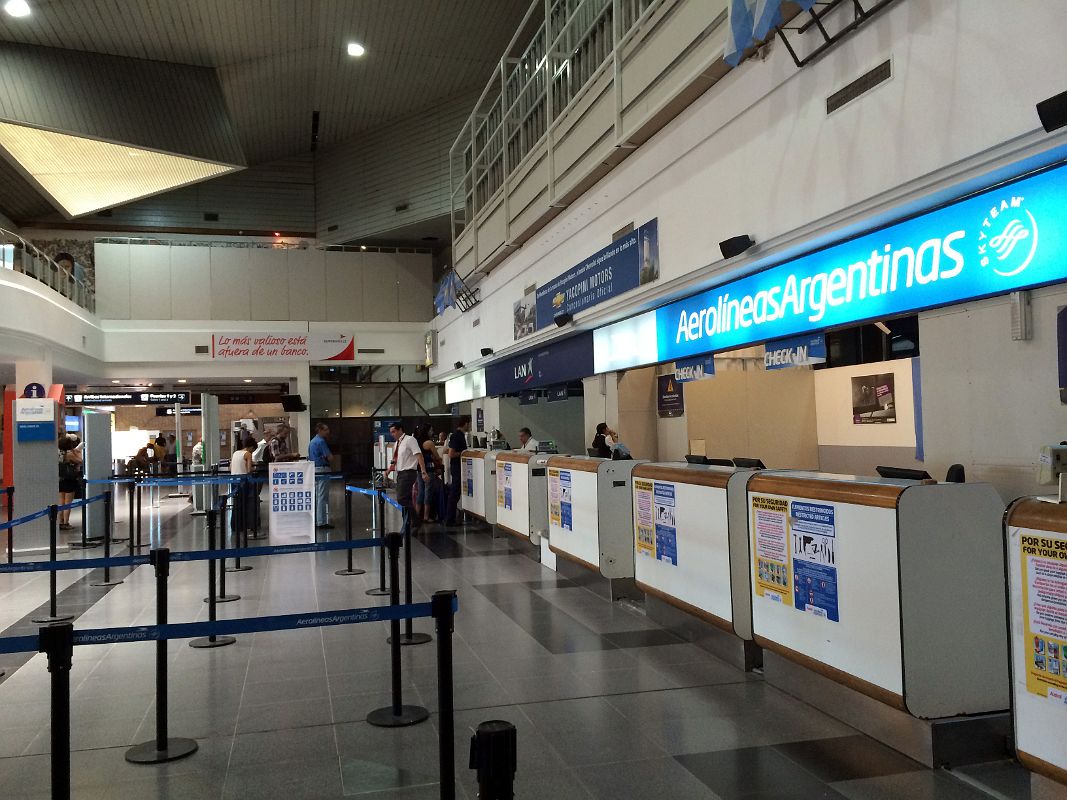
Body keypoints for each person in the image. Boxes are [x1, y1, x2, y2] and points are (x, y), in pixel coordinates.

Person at [388, 421, 428, 533]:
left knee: (402, 498)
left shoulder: (410, 440)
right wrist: (388, 470)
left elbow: (419, 455)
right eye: (391, 432)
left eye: (394, 431)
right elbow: (395, 459)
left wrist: (423, 471)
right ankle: (408, 522)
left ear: (400, 429)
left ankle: (415, 522)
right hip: (400, 473)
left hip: (408, 473)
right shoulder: (397, 443)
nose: (392, 434)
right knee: (405, 499)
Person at [444, 416, 470, 527]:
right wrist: (464, 453)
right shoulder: (457, 436)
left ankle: (451, 518)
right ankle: (450, 519)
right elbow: (451, 453)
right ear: (465, 423)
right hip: (456, 468)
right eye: (469, 423)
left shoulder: (459, 435)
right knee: (454, 493)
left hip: (458, 468)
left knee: (456, 493)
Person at [229, 437, 256, 536]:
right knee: (244, 504)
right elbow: (249, 470)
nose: (252, 452)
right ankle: (243, 526)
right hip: (243, 481)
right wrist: (253, 465)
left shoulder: (235, 453)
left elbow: (230, 467)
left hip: (233, 481)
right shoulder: (248, 454)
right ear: (251, 447)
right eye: (253, 450)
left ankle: (234, 526)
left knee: (236, 503)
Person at [417, 425, 444, 524]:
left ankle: (417, 515)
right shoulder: (429, 443)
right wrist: (440, 463)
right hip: (429, 470)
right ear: (427, 431)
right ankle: (426, 516)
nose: (432, 432)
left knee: (420, 492)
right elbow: (437, 457)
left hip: (419, 469)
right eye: (431, 430)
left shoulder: (417, 442)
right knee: (428, 492)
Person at [309, 423, 333, 529]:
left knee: (316, 495)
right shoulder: (321, 441)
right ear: (320, 430)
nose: (328, 431)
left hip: (313, 469)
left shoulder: (312, 442)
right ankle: (321, 521)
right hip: (322, 469)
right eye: (326, 429)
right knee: (322, 496)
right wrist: (328, 457)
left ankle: (315, 520)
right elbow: (330, 457)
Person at [57, 436, 82, 530]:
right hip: (70, 480)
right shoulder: (70, 454)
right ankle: (66, 522)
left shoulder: (59, 453)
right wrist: (77, 452)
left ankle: (60, 522)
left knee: (61, 502)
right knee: (68, 503)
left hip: (60, 479)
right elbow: (81, 461)